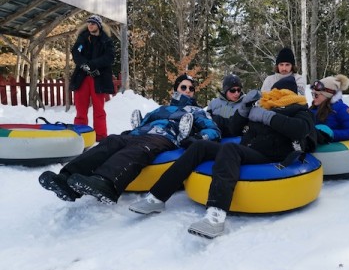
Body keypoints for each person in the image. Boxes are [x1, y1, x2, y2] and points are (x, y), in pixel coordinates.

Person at [128, 76, 317, 239]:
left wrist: (269, 118)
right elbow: (233, 129)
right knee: (200, 147)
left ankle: (215, 216)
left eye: (280, 92)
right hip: (250, 148)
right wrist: (243, 112)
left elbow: (301, 129)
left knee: (230, 150)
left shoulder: (300, 109)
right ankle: (156, 197)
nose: (275, 95)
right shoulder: (264, 106)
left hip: (271, 155)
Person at [38, 74, 221, 204]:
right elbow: (141, 124)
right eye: (184, 87)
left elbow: (213, 130)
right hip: (140, 134)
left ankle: (107, 183)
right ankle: (65, 179)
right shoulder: (160, 109)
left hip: (165, 137)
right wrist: (130, 132)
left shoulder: (196, 111)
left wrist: (197, 137)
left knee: (139, 148)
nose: (188, 91)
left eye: (191, 89)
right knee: (111, 141)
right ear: (175, 89)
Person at [70, 15, 115, 142]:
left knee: (99, 110)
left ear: (99, 26)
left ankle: (101, 137)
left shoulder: (106, 41)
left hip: (98, 79)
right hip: (82, 78)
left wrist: (93, 65)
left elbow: (109, 57)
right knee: (80, 110)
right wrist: (85, 65)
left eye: (93, 23)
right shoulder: (82, 38)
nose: (90, 25)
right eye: (89, 23)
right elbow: (75, 53)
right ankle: (80, 135)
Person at [309, 74, 349, 144]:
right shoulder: (313, 108)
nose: (313, 97)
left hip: (333, 150)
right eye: (313, 94)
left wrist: (332, 133)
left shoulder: (342, 109)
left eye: (316, 95)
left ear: (327, 95)